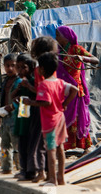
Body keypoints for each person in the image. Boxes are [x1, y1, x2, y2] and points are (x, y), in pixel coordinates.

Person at [23, 52, 78, 185]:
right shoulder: (59, 82)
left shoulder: (44, 85)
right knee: (60, 148)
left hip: (50, 121)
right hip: (61, 119)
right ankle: (61, 177)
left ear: (41, 69)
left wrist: (30, 102)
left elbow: (46, 102)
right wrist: (64, 104)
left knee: (51, 150)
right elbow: (75, 89)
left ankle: (52, 178)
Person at [55, 26, 99, 152]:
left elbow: (95, 60)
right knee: (61, 117)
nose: (56, 38)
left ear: (66, 36)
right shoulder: (57, 51)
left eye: (58, 35)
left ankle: (86, 147)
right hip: (60, 90)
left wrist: (82, 58)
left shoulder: (76, 49)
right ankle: (62, 146)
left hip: (75, 90)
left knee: (78, 118)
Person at [27, 35, 59, 183]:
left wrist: (28, 90)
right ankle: (55, 174)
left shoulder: (40, 70)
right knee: (53, 145)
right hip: (56, 112)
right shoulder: (54, 70)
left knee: (38, 143)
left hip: (42, 112)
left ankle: (40, 172)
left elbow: (41, 93)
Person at [11, 53, 36, 181]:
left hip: (31, 117)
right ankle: (23, 169)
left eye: (23, 68)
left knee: (30, 143)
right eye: (18, 68)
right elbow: (12, 96)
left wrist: (29, 87)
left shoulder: (33, 81)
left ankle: (31, 171)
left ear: (31, 67)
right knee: (22, 143)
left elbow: (39, 94)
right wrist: (17, 93)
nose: (20, 71)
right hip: (22, 115)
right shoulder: (20, 82)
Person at [0, 53, 22, 175]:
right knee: (4, 145)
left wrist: (10, 108)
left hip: (16, 117)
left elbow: (21, 99)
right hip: (5, 117)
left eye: (13, 65)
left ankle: (21, 169)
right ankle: (6, 167)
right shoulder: (5, 81)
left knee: (17, 145)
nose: (10, 68)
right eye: (7, 66)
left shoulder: (20, 82)